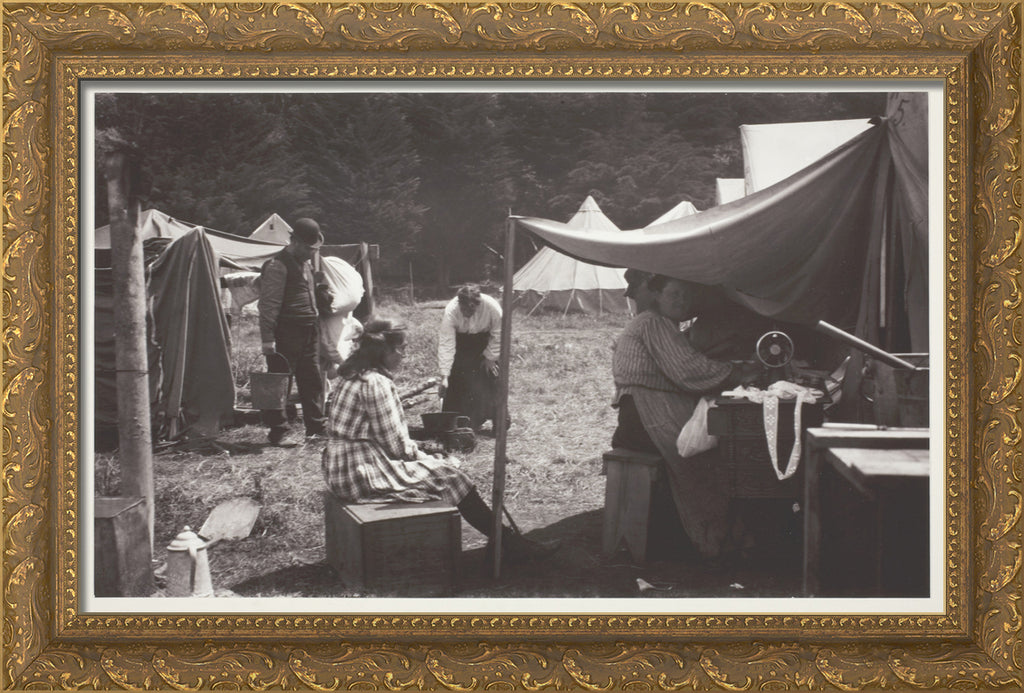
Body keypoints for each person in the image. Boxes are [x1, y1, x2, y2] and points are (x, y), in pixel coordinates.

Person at [322, 318, 552, 562]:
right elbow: (396, 447)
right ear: (385, 350)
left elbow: (381, 438)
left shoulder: (353, 374)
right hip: (360, 472)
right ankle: (510, 544)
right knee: (453, 477)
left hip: (340, 466)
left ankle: (505, 540)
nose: (404, 355)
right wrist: (434, 459)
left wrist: (426, 454)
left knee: (444, 470)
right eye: (402, 348)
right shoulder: (376, 383)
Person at [611, 274, 759, 559]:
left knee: (708, 447)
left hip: (643, 412)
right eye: (674, 294)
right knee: (704, 458)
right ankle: (716, 541)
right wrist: (739, 372)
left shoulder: (662, 324)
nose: (682, 301)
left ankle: (714, 534)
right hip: (644, 415)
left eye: (686, 295)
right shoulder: (652, 323)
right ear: (657, 295)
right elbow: (689, 371)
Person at [257, 218, 329, 444]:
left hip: (309, 330)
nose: (311, 253)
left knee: (312, 380)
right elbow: (268, 305)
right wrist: (268, 339)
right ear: (294, 242)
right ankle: (278, 432)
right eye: (308, 248)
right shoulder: (276, 266)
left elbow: (309, 296)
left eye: (314, 249)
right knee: (280, 382)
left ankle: (316, 429)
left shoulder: (305, 265)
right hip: (286, 332)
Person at [437, 285, 505, 432]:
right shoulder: (451, 311)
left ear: (477, 304)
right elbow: (446, 343)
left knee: (491, 378)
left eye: (471, 309)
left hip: (486, 342)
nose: (467, 313)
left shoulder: (492, 307)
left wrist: (490, 357)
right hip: (462, 344)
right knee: (457, 382)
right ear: (459, 303)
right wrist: (445, 375)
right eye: (464, 309)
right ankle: (465, 422)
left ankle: (499, 420)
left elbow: (500, 333)